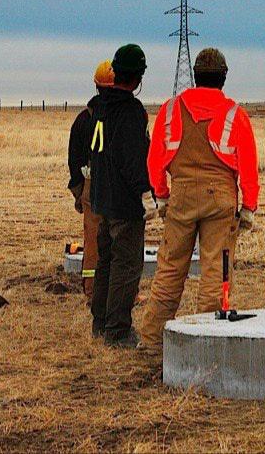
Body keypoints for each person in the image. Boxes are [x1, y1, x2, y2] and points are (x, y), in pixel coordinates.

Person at [140, 48, 259, 350]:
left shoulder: (170, 110)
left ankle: (152, 341)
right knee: (214, 275)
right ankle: (205, 346)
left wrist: (162, 197)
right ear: (224, 77)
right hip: (221, 200)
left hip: (180, 198)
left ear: (195, 75)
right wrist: (249, 208)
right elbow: (248, 165)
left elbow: (154, 161)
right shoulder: (234, 114)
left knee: (169, 270)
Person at [88, 44, 156, 347]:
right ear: (139, 76)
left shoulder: (101, 105)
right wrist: (145, 193)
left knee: (105, 263)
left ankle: (100, 324)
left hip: (102, 198)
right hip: (125, 203)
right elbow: (133, 157)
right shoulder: (130, 111)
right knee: (126, 266)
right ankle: (117, 331)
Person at [67, 60, 114, 300]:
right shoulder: (125, 118)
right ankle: (119, 291)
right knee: (120, 237)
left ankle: (91, 287)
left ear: (96, 86)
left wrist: (78, 190)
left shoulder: (83, 119)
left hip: (90, 185)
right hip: (117, 188)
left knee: (93, 237)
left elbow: (73, 157)